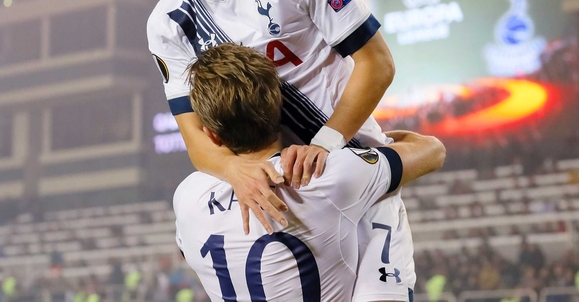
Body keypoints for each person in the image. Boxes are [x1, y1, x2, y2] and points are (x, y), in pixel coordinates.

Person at [117, 0, 412, 300]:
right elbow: (194, 135)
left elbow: (377, 63)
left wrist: (325, 145)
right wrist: (234, 170)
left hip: (354, 176)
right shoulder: (169, 23)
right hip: (272, 196)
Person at [173, 44, 445, 301]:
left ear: (211, 135)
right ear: (279, 109)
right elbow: (432, 151)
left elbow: (189, 251)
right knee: (382, 201)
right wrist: (353, 145)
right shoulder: (325, 174)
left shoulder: (187, 198)